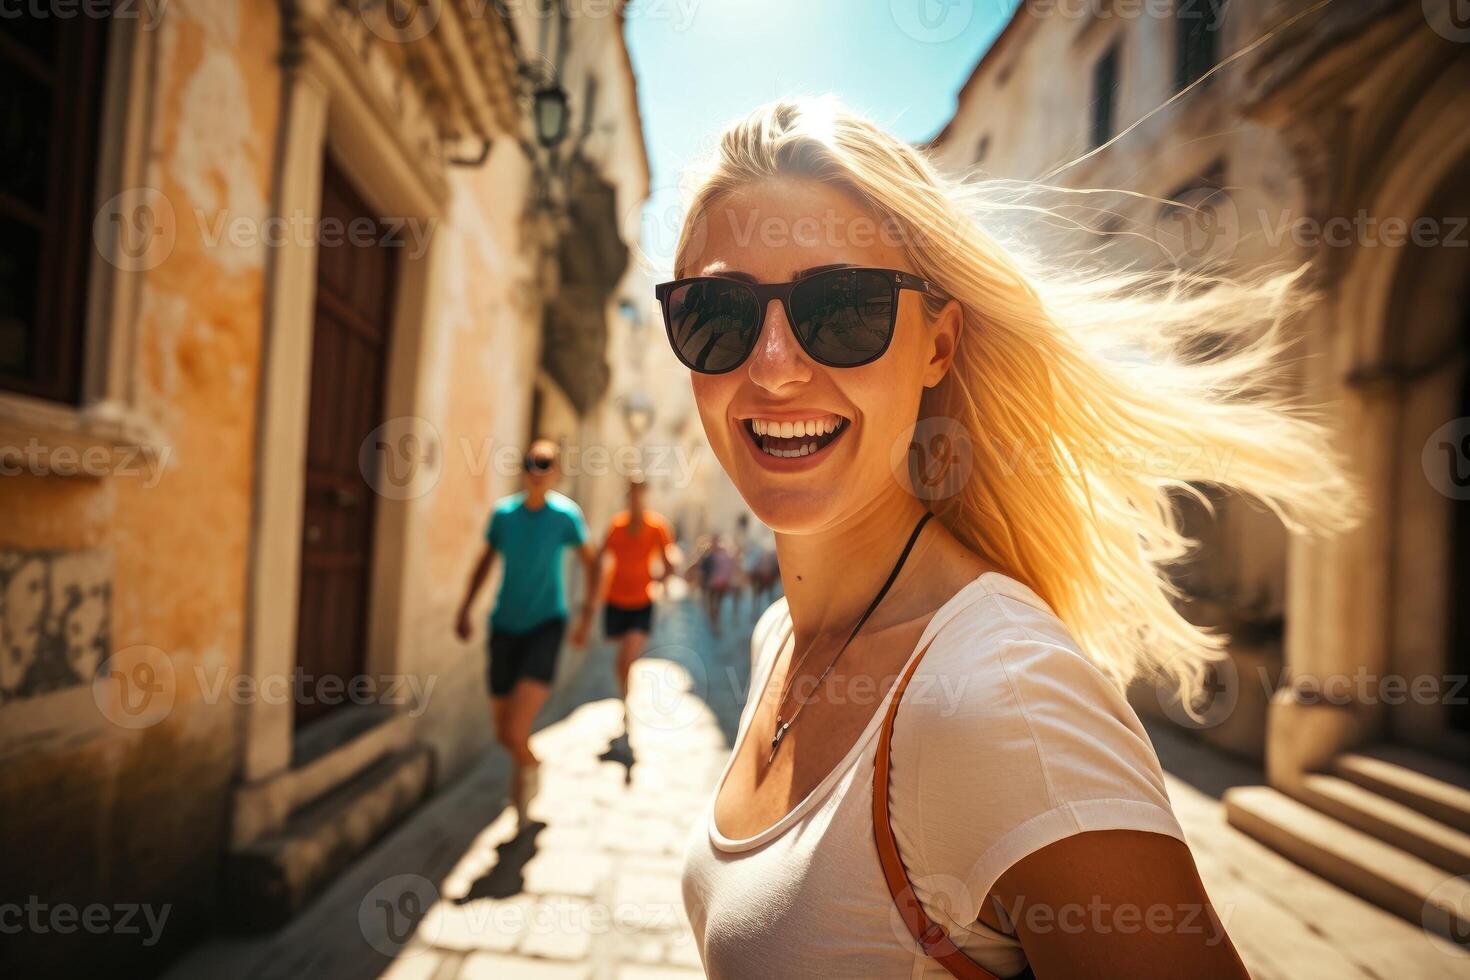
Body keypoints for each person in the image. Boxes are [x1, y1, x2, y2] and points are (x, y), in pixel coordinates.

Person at [666, 99, 1355, 978]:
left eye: (842, 308)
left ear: (938, 346)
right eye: (716, 314)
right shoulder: (779, 638)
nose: (772, 365)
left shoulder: (1000, 702)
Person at [455, 439, 598, 827]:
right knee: (504, 733)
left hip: (546, 626)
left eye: (545, 463)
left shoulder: (566, 517)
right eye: (531, 463)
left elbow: (592, 563)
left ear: (556, 472)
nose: (537, 470)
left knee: (516, 728)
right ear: (523, 469)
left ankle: (524, 794)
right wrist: (466, 607)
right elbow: (485, 562)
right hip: (504, 626)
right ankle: (530, 769)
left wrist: (587, 616)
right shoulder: (504, 515)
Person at [595, 475, 680, 740]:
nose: (635, 497)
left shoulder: (657, 527)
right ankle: (625, 693)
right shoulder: (616, 526)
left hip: (642, 602)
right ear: (626, 495)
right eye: (631, 492)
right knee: (622, 661)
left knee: (626, 658)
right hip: (615, 601)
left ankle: (626, 702)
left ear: (645, 494)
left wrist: (664, 580)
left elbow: (669, 559)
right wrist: (592, 600)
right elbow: (600, 559)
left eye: (639, 492)